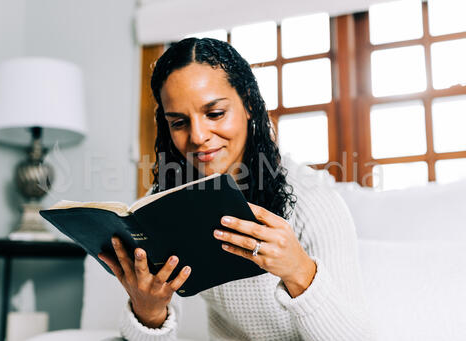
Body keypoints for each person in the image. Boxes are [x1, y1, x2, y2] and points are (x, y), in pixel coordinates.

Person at [98, 38, 375, 340]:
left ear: (248, 104)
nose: (198, 136)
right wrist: (149, 312)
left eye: (215, 114)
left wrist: (299, 272)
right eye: (178, 122)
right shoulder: (168, 200)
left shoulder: (313, 201)